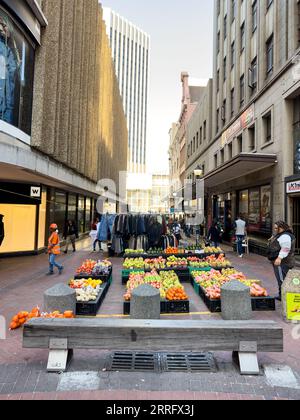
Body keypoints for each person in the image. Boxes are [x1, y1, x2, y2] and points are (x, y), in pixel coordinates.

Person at [267, 221, 296, 301]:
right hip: (282, 262)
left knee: (282, 279)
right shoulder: (283, 235)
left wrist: (279, 258)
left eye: (276, 228)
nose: (275, 229)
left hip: (283, 262)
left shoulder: (285, 236)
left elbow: (285, 248)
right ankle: (282, 295)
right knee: (281, 278)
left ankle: (283, 296)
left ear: (282, 228)